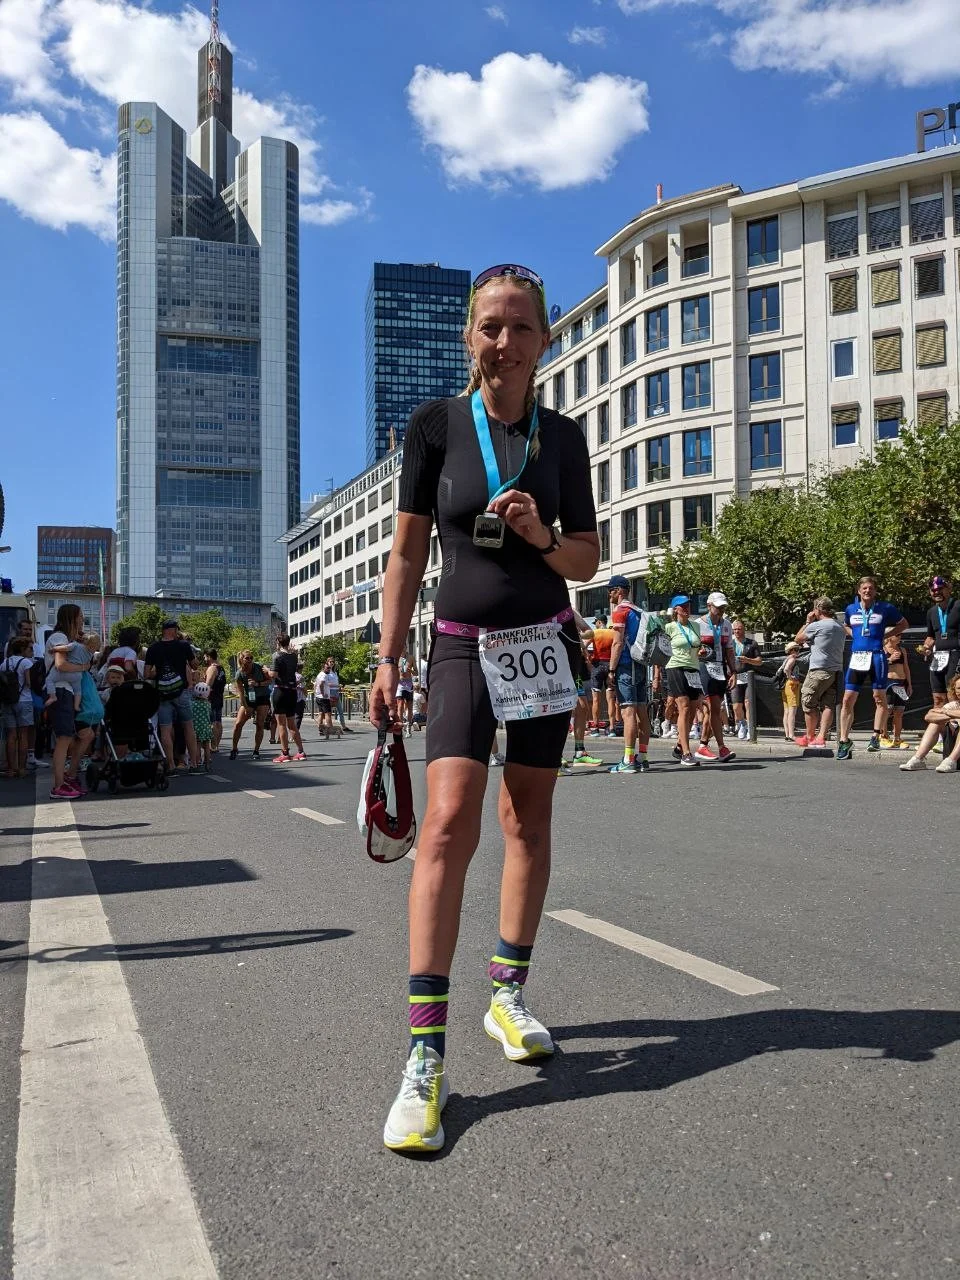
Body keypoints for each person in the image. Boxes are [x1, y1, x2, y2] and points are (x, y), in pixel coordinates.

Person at [372, 262, 599, 1153]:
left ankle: (507, 995)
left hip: (543, 643)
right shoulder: (433, 428)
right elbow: (403, 556)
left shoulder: (566, 440)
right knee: (447, 824)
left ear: (544, 339)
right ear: (470, 337)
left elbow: (584, 560)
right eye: (488, 327)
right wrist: (388, 658)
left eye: (519, 326)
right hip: (463, 642)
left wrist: (544, 534)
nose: (502, 341)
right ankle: (424, 1054)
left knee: (528, 822)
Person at [837, 576, 907, 760]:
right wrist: (856, 636)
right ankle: (844, 740)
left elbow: (904, 624)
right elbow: (845, 625)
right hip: (858, 657)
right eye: (864, 588)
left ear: (875, 591)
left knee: (879, 697)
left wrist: (887, 634)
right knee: (847, 699)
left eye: (871, 588)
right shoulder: (851, 609)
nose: (867, 591)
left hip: (877, 656)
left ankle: (876, 736)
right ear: (858, 591)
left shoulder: (885, 608)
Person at [44, 604, 97, 799]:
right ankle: (59, 785)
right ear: (72, 618)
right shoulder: (60, 638)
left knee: (74, 736)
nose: (82, 619)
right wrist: (83, 666)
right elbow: (61, 664)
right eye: (80, 616)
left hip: (66, 690)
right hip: (61, 690)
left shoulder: (67, 639)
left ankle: (65, 779)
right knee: (64, 738)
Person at [606, 575, 652, 773]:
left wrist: (611, 669)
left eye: (610, 590)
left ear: (619, 591)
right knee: (642, 711)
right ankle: (643, 758)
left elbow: (617, 642)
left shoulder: (620, 611)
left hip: (626, 664)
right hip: (641, 664)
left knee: (628, 712)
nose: (609, 593)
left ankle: (628, 760)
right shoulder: (639, 611)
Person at [144, 618, 201, 773]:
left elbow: (147, 674)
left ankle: (170, 764)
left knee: (165, 730)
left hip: (163, 694)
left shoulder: (153, 648)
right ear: (174, 630)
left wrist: (159, 672)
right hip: (181, 691)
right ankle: (194, 764)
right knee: (188, 727)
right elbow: (195, 664)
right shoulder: (183, 645)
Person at [794, 597, 845, 748]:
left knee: (808, 701)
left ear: (817, 610)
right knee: (828, 704)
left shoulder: (817, 625)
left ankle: (809, 737)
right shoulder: (839, 625)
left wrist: (808, 621)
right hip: (835, 670)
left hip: (818, 669)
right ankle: (821, 737)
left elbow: (797, 639)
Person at [693, 591, 737, 762]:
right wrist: (698, 652)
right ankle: (721, 747)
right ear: (709, 606)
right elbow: (691, 649)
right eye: (718, 607)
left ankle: (703, 745)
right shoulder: (697, 624)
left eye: (724, 607)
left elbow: (729, 650)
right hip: (704, 667)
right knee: (713, 709)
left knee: (714, 711)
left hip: (720, 668)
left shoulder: (727, 624)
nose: (721, 610)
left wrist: (733, 671)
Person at [663, 595, 703, 767]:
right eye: (682, 606)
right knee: (684, 707)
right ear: (675, 610)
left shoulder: (696, 626)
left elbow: (698, 646)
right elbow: (662, 649)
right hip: (675, 667)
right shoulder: (669, 627)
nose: (686, 608)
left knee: (693, 710)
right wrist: (657, 674)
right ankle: (686, 753)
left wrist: (702, 652)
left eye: (687, 605)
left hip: (693, 669)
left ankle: (679, 745)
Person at [900, 673, 960, 773]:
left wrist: (946, 712)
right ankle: (918, 759)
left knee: (941, 718)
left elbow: (942, 712)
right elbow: (928, 716)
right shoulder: (954, 705)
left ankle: (952, 760)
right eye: (958, 688)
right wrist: (951, 715)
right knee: (935, 722)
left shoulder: (949, 709)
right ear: (954, 690)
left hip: (952, 760)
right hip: (949, 758)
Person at [923, 575, 960, 711]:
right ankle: (940, 732)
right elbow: (931, 637)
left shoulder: (957, 606)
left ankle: (955, 730)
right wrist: (926, 647)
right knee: (938, 698)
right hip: (938, 657)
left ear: (949, 589)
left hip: (956, 655)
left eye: (940, 588)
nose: (936, 592)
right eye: (933, 590)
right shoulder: (931, 612)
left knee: (953, 696)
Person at [1, 637, 34, 778]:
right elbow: (28, 682)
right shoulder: (26, 662)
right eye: (30, 648)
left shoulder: (4, 663)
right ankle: (21, 768)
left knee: (11, 735)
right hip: (24, 701)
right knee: (23, 735)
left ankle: (10, 769)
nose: (32, 651)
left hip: (8, 701)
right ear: (22, 649)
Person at [270, 633, 306, 763]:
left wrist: (266, 670)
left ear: (278, 643)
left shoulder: (276, 656)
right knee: (292, 724)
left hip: (280, 690)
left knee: (281, 724)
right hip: (292, 691)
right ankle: (301, 752)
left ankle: (285, 753)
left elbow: (274, 674)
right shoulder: (294, 656)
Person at [230, 651, 272, 759]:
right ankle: (234, 749)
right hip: (249, 699)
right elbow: (240, 693)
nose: (249, 660)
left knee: (259, 724)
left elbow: (269, 680)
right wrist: (246, 707)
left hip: (262, 698)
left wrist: (258, 684)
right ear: (242, 660)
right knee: (238, 724)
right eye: (247, 658)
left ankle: (256, 751)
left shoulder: (259, 667)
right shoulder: (239, 673)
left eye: (251, 658)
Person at [879, 631, 912, 749]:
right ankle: (883, 736)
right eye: (897, 634)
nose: (900, 636)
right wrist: (890, 659)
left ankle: (897, 738)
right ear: (889, 636)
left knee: (899, 712)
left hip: (901, 683)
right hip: (888, 682)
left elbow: (906, 667)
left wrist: (909, 684)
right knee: (886, 711)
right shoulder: (882, 649)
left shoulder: (902, 650)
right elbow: (878, 666)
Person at [730, 619, 762, 740]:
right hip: (735, 676)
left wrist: (748, 660)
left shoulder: (752, 643)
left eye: (739, 629)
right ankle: (742, 724)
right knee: (736, 706)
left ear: (744, 629)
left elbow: (759, 661)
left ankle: (750, 727)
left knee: (748, 703)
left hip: (748, 676)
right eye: (735, 630)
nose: (737, 631)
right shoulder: (730, 643)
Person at [587, 612, 615, 736]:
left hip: (597, 665)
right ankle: (612, 728)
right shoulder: (612, 633)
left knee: (596, 699)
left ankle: (595, 728)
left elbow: (584, 646)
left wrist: (588, 658)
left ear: (599, 622)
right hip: (610, 666)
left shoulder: (595, 633)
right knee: (610, 699)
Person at [203, 648, 227, 752]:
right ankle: (216, 745)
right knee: (218, 721)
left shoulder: (212, 668)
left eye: (205, 656)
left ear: (209, 656)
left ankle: (213, 745)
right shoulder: (221, 667)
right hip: (219, 696)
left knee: (213, 722)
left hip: (211, 698)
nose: (204, 659)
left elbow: (207, 686)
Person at [777, 642, 801, 740]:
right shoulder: (792, 659)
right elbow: (786, 669)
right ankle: (791, 735)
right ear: (792, 650)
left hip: (785, 685)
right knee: (792, 711)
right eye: (796, 649)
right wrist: (791, 678)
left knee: (786, 711)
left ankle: (787, 734)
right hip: (791, 686)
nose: (797, 651)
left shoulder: (786, 659)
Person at [190, 681, 213, 770]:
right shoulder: (208, 704)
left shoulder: (192, 704)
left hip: (196, 727)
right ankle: (207, 764)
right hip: (206, 727)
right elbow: (210, 714)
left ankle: (197, 762)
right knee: (207, 746)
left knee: (197, 745)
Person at [396, 653, 415, 737]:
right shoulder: (397, 658)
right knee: (400, 706)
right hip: (400, 684)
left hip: (408, 683)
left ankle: (408, 729)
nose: (402, 649)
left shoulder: (411, 658)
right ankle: (400, 728)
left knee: (409, 707)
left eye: (404, 646)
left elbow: (416, 672)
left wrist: (410, 670)